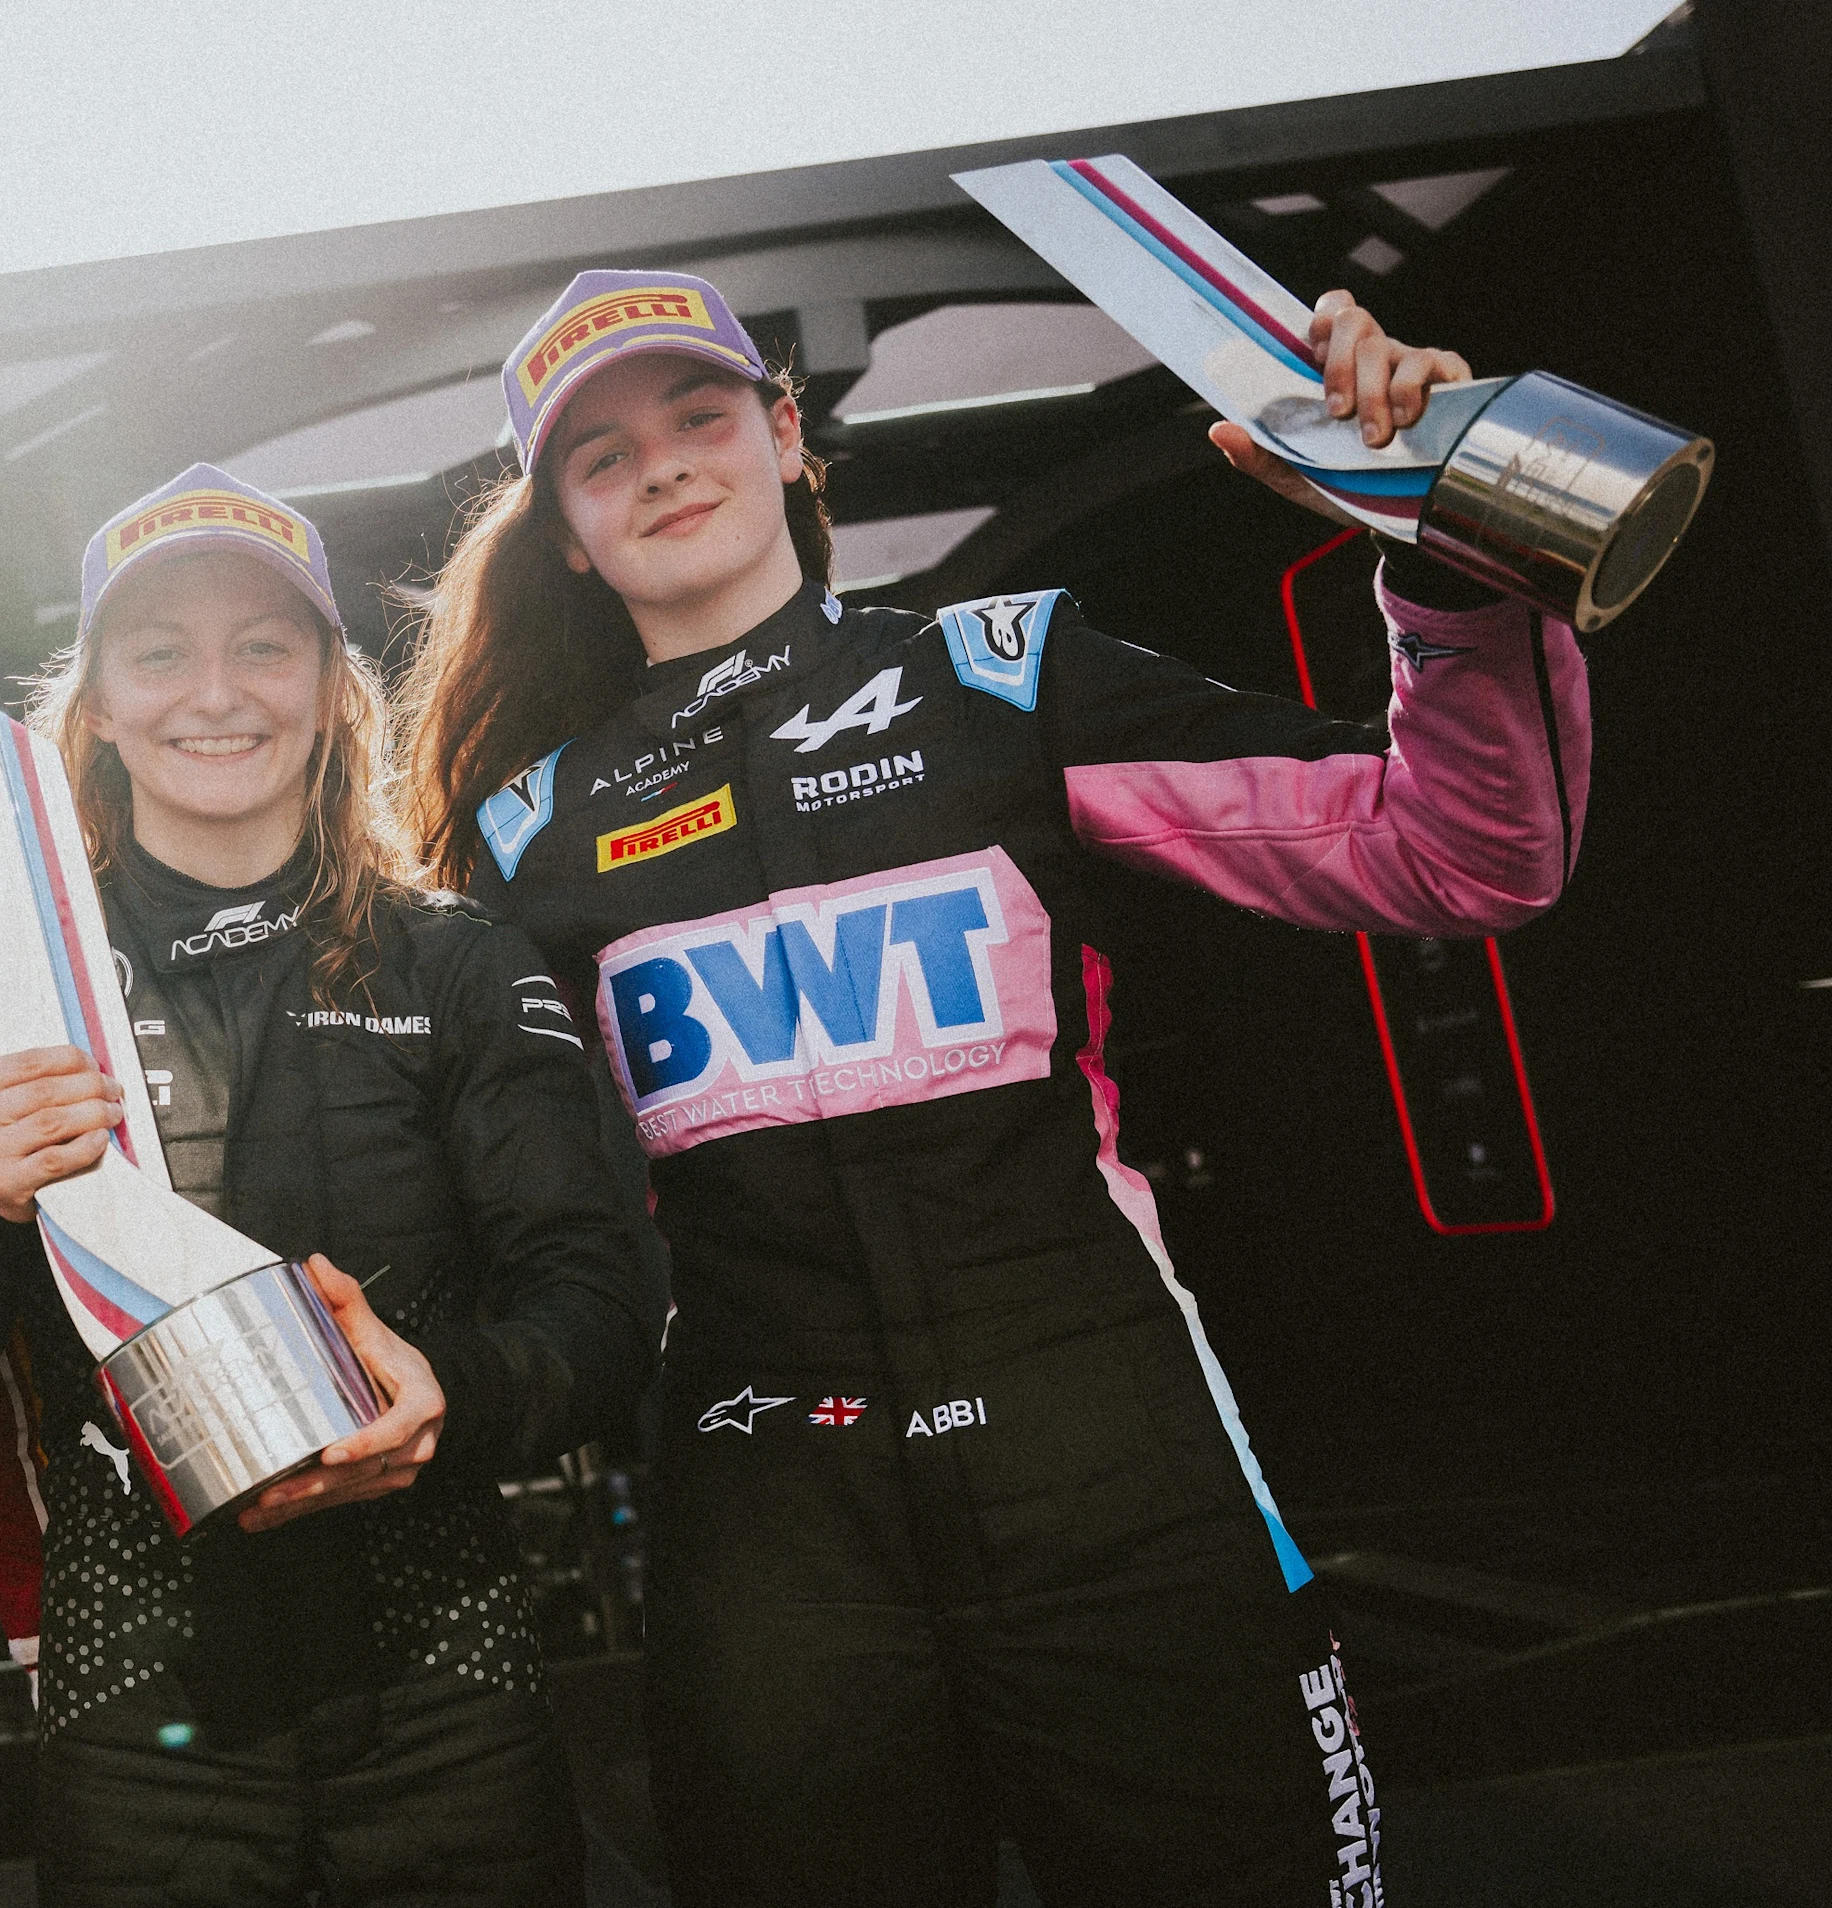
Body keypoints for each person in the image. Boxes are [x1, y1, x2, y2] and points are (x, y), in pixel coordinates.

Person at [396, 269, 1585, 1905]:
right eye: (601, 460)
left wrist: (1443, 535)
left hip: (1105, 1446)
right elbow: (406, 1144)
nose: (662, 466)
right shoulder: (527, 830)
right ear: (568, 537)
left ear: (788, 437)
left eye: (698, 415)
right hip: (774, 1512)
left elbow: (1459, 852)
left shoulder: (1003, 674)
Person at [0, 465, 669, 1907]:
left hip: (446, 1676)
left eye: (265, 645)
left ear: (334, 689)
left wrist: (450, 1397)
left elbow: (601, 1309)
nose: (213, 691)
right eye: (159, 652)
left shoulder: (456, 960)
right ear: (94, 705)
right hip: (142, 1706)